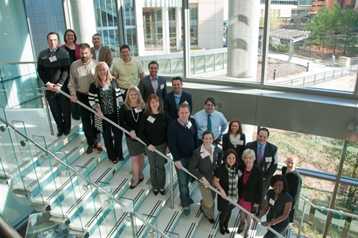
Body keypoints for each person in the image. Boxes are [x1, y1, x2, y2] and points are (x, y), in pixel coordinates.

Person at [68, 43, 102, 154]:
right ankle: (90, 143)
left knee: (97, 120)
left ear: (90, 53)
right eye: (82, 53)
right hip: (82, 96)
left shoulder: (97, 65)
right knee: (86, 121)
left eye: (86, 53)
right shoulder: (74, 65)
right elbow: (71, 83)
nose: (84, 55)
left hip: (95, 96)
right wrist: (73, 94)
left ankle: (97, 142)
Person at [88, 62, 125, 163]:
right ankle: (112, 157)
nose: (102, 71)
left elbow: (120, 97)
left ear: (107, 70)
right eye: (100, 70)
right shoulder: (93, 85)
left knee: (118, 135)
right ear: (97, 71)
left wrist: (122, 109)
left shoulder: (113, 81)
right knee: (107, 137)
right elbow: (91, 100)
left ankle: (119, 154)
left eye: (104, 69)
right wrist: (98, 110)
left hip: (115, 114)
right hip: (102, 116)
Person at [37, 32, 71, 137]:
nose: (52, 42)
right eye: (50, 40)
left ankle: (67, 129)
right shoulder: (42, 54)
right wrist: (48, 84)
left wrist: (59, 84)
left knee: (65, 110)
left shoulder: (64, 53)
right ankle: (60, 128)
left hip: (62, 88)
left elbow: (66, 70)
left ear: (58, 41)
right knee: (55, 110)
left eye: (55, 40)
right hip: (49, 88)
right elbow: (40, 71)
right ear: (47, 41)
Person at [167, 103, 198, 215]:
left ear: (189, 113)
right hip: (180, 159)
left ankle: (186, 196)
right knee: (182, 182)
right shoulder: (173, 126)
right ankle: (185, 203)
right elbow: (172, 144)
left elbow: (195, 138)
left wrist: (197, 154)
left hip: (192, 157)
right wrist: (176, 159)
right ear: (178, 113)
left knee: (190, 179)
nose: (184, 115)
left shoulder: (192, 122)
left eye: (186, 112)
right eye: (182, 112)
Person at [189, 131, 223, 223]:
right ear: (202, 139)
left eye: (210, 138)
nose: (208, 140)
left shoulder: (216, 149)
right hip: (203, 180)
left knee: (212, 197)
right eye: (206, 138)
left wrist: (218, 168)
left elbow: (220, 157)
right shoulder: (197, 152)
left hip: (214, 179)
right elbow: (191, 168)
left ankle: (204, 206)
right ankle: (209, 215)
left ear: (213, 139)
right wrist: (201, 178)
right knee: (209, 202)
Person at [139, 94, 168, 195]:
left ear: (159, 103)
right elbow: (141, 132)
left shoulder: (164, 115)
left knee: (160, 166)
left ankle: (161, 186)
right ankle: (155, 186)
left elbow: (168, 132)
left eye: (156, 101)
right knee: (152, 166)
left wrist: (167, 146)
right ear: (149, 104)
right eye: (152, 102)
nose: (154, 104)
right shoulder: (145, 115)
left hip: (161, 146)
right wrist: (148, 144)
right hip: (150, 146)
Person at [119, 86, 146, 189]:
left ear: (138, 95)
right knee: (134, 158)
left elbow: (144, 121)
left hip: (141, 137)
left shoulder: (142, 106)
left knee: (141, 156)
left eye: (135, 94)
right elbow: (122, 122)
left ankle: (140, 173)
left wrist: (139, 133)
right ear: (128, 96)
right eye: (131, 95)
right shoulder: (124, 107)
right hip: (130, 137)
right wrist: (130, 131)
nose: (133, 96)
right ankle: (135, 178)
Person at [213, 149, 239, 235]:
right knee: (224, 212)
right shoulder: (220, 169)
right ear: (225, 159)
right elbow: (215, 181)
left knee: (229, 212)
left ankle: (226, 225)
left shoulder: (236, 168)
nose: (231, 160)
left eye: (233, 158)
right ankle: (221, 225)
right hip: (224, 195)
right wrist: (221, 190)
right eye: (229, 158)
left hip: (234, 195)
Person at [245, 127, 278, 198]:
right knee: (249, 195)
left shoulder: (273, 149)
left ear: (267, 137)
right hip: (251, 176)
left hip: (264, 179)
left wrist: (266, 177)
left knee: (260, 197)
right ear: (257, 135)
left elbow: (274, 165)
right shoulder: (249, 145)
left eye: (264, 137)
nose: (262, 139)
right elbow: (244, 160)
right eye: (260, 136)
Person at [237, 149, 263, 236]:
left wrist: (257, 203)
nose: (248, 160)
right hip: (241, 196)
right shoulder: (240, 167)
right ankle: (242, 223)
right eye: (246, 158)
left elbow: (260, 189)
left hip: (251, 198)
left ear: (253, 159)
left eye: (250, 158)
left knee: (248, 215)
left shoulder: (258, 171)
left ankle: (247, 229)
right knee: (241, 212)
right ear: (243, 159)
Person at [62, 29, 81, 120]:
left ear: (75, 37)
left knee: (79, 93)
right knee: (70, 94)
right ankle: (75, 115)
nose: (70, 37)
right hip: (66, 76)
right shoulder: (61, 48)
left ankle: (80, 113)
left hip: (78, 75)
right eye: (68, 35)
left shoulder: (79, 47)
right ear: (65, 37)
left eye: (72, 35)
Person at [282, 156, 302, 223]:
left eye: (292, 163)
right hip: (282, 201)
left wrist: (290, 208)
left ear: (295, 164)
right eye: (288, 162)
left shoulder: (297, 177)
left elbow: (296, 195)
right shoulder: (284, 170)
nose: (290, 164)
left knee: (285, 223)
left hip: (289, 204)